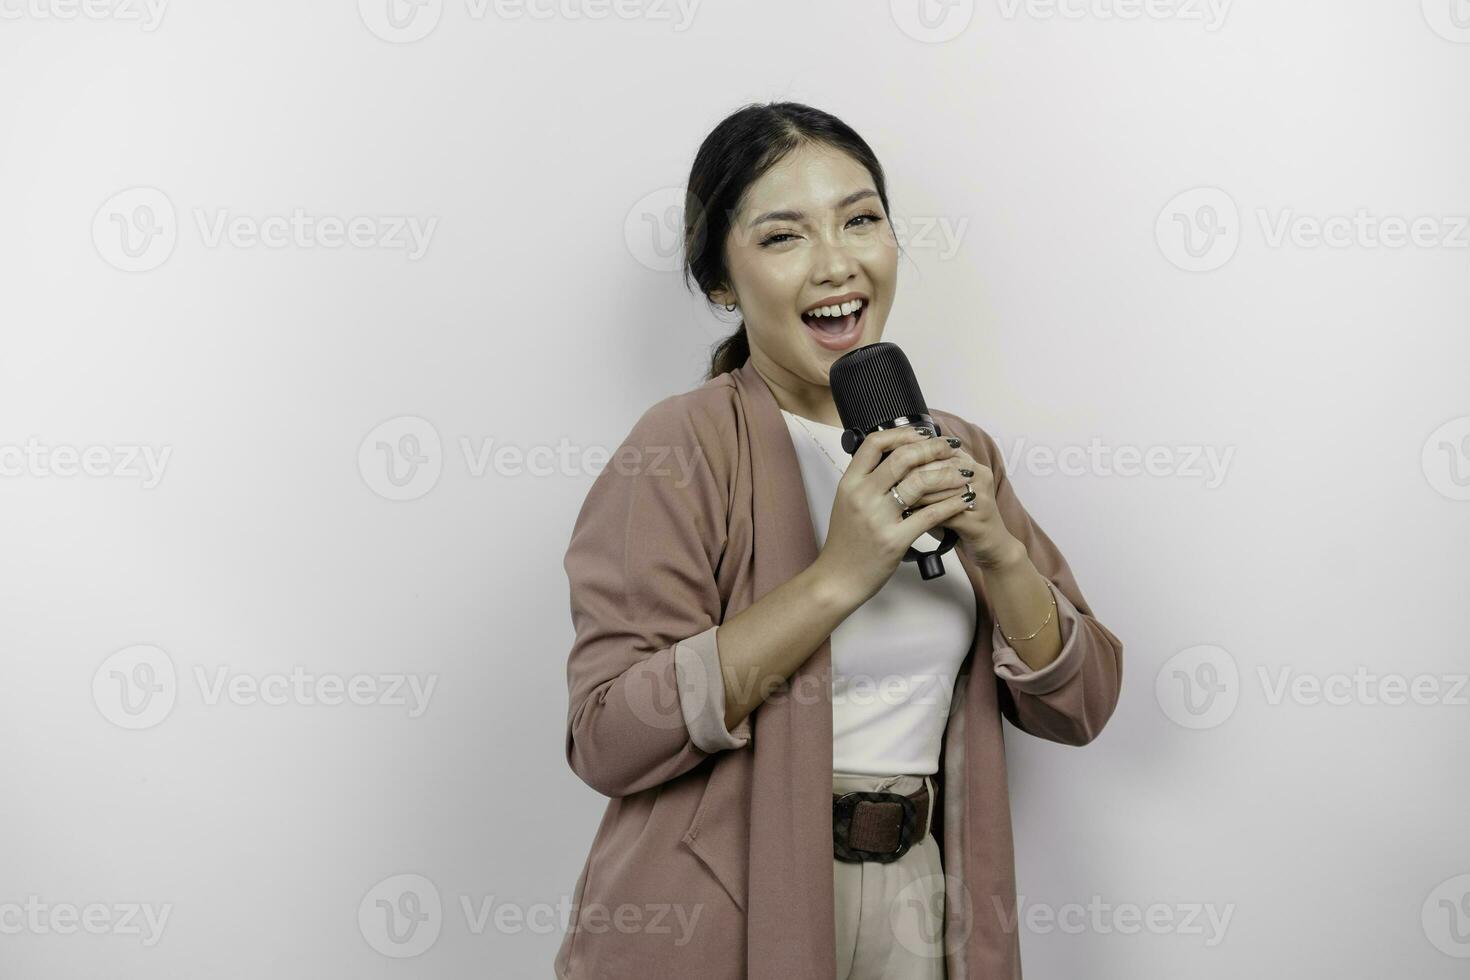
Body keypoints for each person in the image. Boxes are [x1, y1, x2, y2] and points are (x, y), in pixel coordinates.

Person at [556, 101, 1124, 980]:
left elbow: (1080, 704)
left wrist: (1001, 553)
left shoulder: (958, 450)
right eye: (783, 237)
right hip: (724, 908)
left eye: (861, 220)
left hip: (918, 900)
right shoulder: (681, 447)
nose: (836, 264)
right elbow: (607, 736)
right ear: (719, 283)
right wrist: (836, 578)